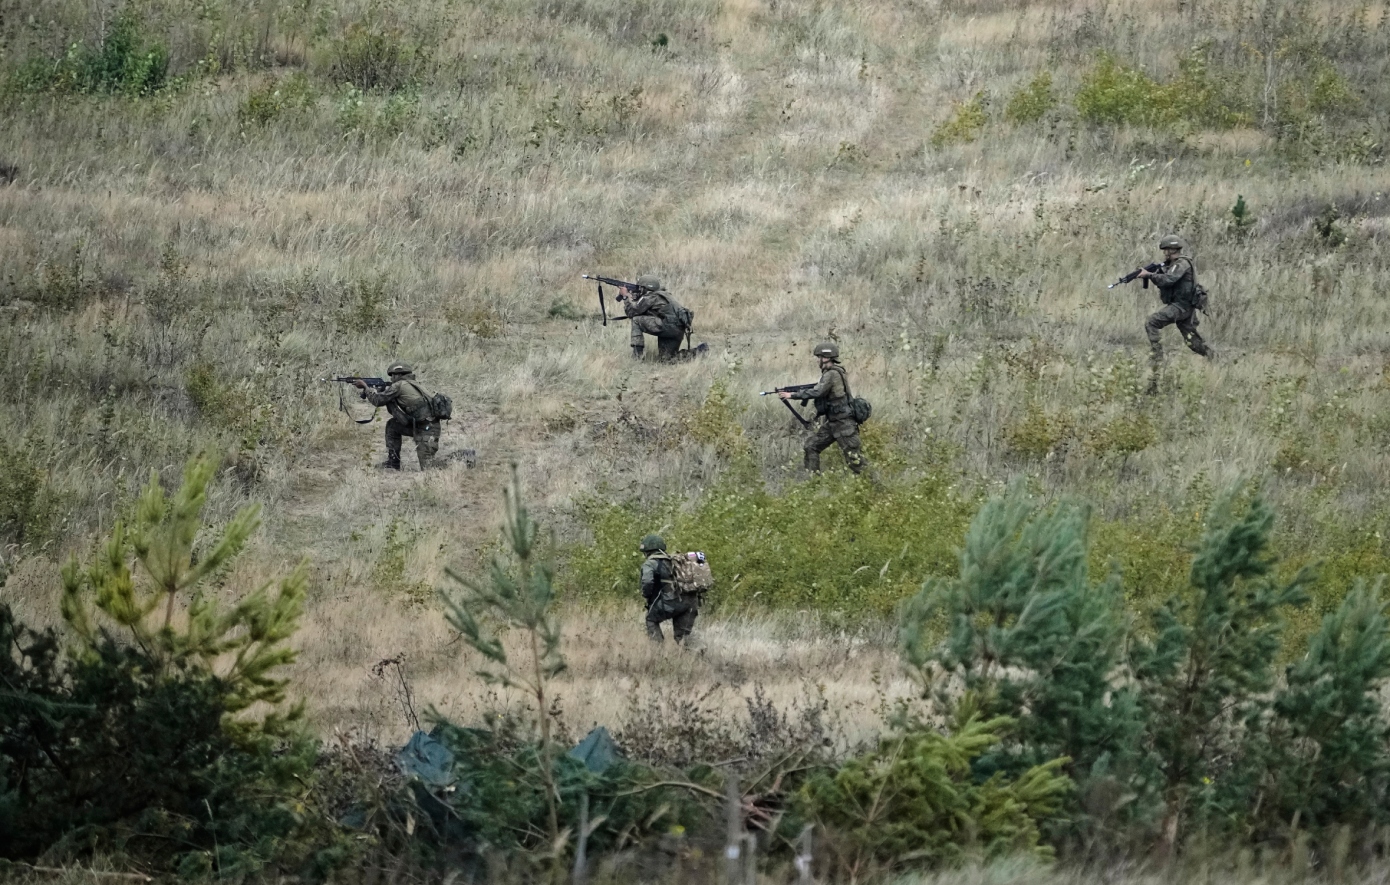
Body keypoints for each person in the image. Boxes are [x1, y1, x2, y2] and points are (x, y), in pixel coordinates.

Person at [1138, 235, 1213, 392]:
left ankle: (1157, 356)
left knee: (1151, 322)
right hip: (1183, 306)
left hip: (1181, 306)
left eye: (1166, 250)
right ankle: (1214, 357)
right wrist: (1155, 272)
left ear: (1172, 250)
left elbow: (1168, 280)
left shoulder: (1181, 264)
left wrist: (1150, 275)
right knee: (1192, 341)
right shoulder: (1173, 265)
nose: (1164, 253)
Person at [781, 342, 868, 475]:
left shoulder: (832, 374)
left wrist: (791, 395)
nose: (817, 360)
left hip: (843, 424)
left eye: (819, 357)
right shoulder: (831, 373)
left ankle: (876, 485)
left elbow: (818, 392)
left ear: (826, 358)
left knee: (856, 462)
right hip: (833, 423)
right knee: (811, 446)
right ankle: (814, 482)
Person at [353, 361, 440, 470]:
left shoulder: (398, 386)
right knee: (392, 425)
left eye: (392, 376)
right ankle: (392, 463)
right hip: (426, 427)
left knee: (429, 469)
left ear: (398, 375)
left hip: (426, 430)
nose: (391, 379)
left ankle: (457, 461)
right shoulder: (414, 384)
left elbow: (377, 401)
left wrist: (365, 387)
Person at [620, 275, 700, 360]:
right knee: (667, 359)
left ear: (645, 288)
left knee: (636, 320)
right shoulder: (664, 295)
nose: (639, 289)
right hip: (677, 329)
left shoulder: (650, 297)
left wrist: (625, 297)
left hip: (667, 327)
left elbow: (631, 313)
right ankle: (699, 351)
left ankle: (637, 355)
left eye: (640, 288)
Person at [638, 534, 698, 643]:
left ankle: (658, 649)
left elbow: (647, 581)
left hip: (670, 602)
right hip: (690, 601)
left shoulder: (650, 563)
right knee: (684, 637)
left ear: (647, 551)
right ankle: (698, 651)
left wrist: (647, 595)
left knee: (651, 619)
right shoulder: (675, 560)